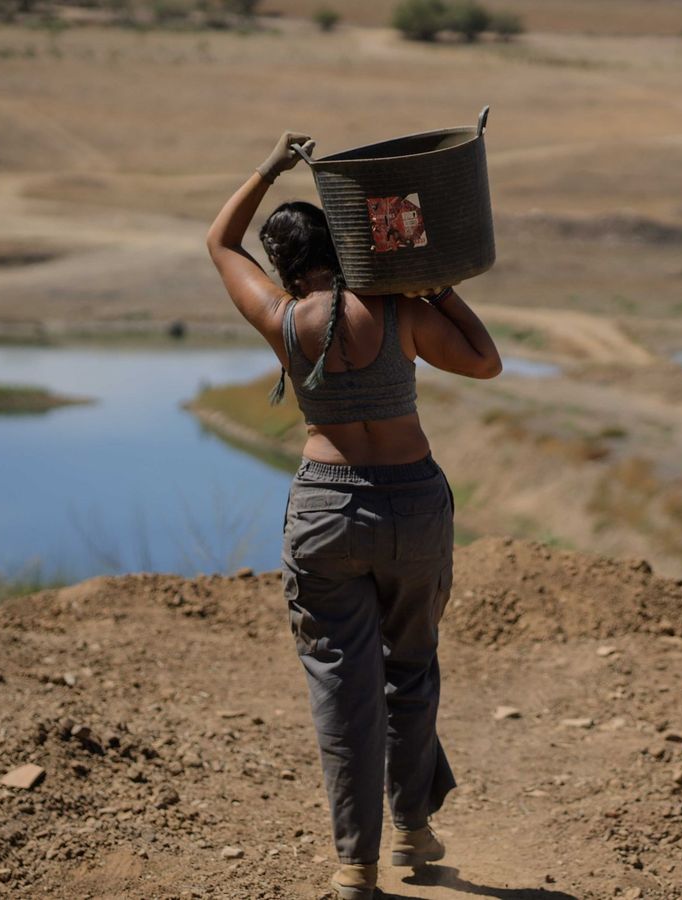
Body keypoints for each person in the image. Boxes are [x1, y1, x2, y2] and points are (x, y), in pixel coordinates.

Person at [205, 132, 502, 899]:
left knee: (341, 685)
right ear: (343, 248)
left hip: (326, 509)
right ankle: (412, 832)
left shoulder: (280, 317)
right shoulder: (400, 310)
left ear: (283, 267)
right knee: (411, 668)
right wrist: (429, 281)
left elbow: (217, 240)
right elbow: (484, 359)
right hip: (412, 502)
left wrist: (270, 163)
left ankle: (354, 867)